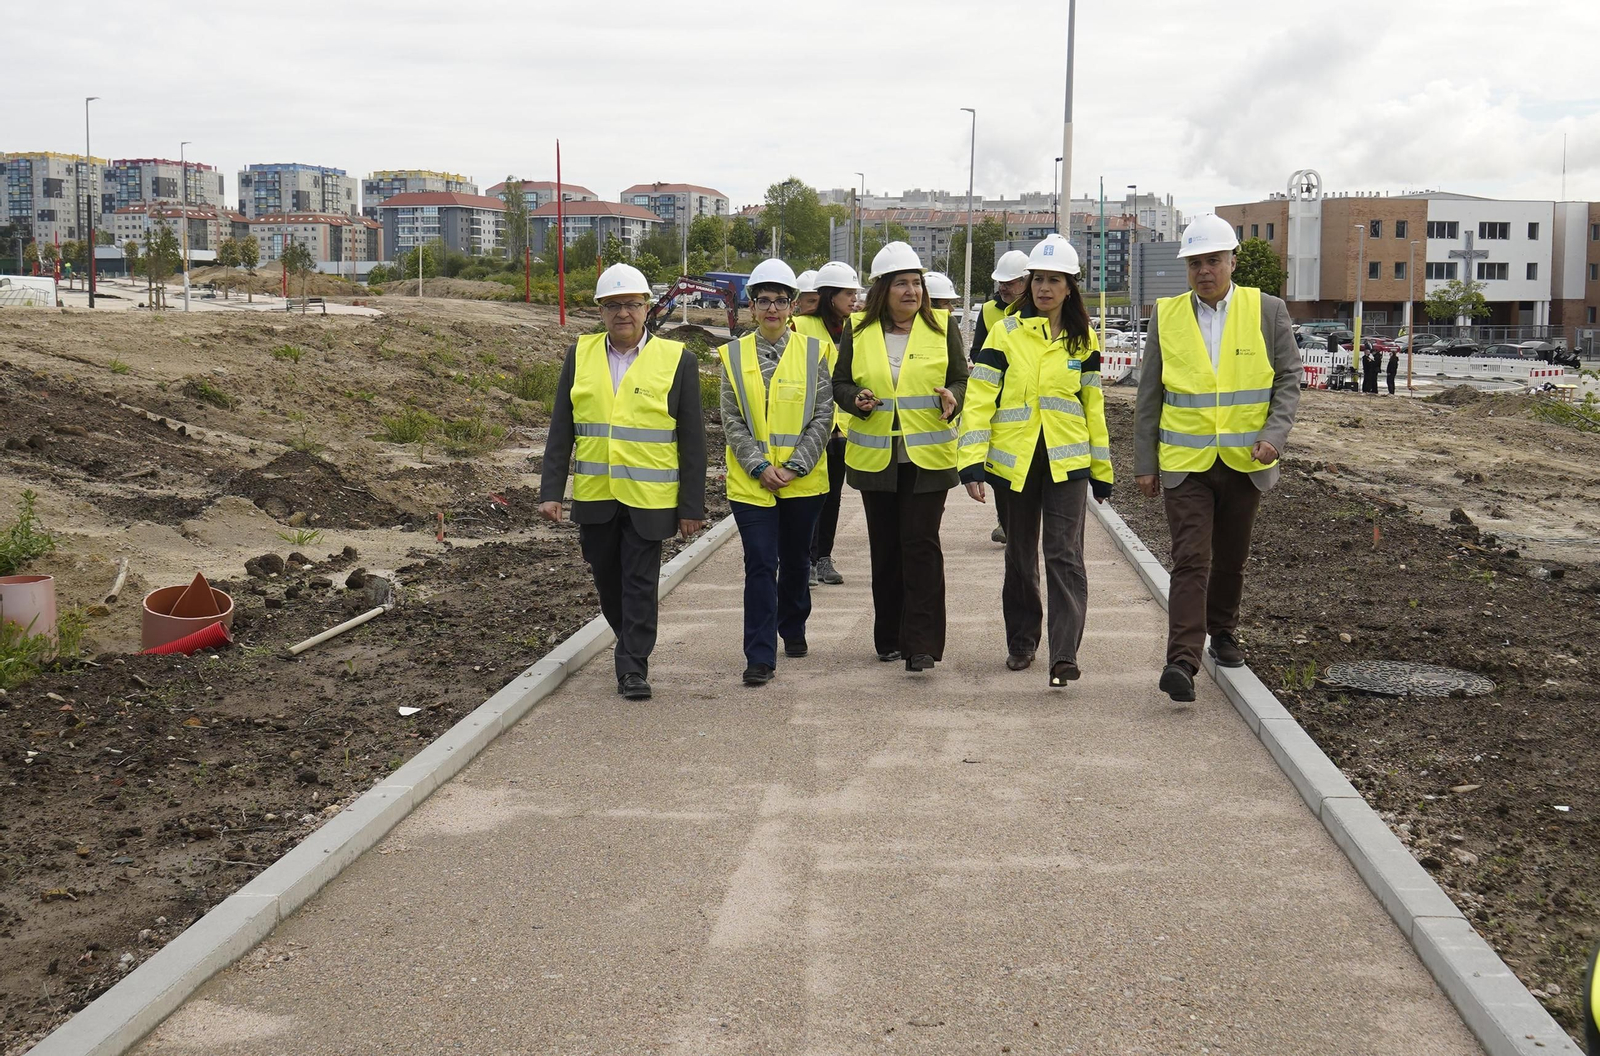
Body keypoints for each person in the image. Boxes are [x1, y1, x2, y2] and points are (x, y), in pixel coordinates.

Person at [1134, 214, 1301, 703]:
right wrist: (1145, 462)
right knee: (1190, 558)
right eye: (1195, 262)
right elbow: (1149, 396)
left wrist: (1275, 435)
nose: (1204, 270)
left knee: (1231, 559)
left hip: (1246, 461)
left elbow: (1289, 379)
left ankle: (1223, 632)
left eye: (1212, 260)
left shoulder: (1267, 310)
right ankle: (1181, 661)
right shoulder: (1166, 316)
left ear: (1232, 260)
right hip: (1185, 463)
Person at [539, 263, 707, 701]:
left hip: (650, 498)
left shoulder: (677, 360)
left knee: (639, 581)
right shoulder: (581, 354)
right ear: (600, 311)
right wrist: (551, 492)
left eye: (631, 304)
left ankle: (633, 665)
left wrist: (691, 505)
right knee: (607, 579)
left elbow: (692, 440)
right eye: (613, 306)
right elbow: (563, 428)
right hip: (596, 496)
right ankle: (628, 641)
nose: (623, 314)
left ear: (647, 308)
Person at [959, 234, 1112, 687]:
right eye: (1038, 279)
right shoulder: (1004, 332)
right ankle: (1022, 641)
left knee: (1064, 555)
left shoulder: (1084, 339)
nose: (1044, 287)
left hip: (1068, 465)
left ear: (1070, 286)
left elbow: (1093, 409)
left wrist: (1102, 472)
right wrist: (971, 461)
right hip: (1015, 465)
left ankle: (1064, 654)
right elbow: (981, 398)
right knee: (1021, 558)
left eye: (1055, 280)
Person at [833, 241, 967, 672]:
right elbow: (839, 384)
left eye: (916, 283)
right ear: (883, 289)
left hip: (927, 457)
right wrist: (857, 399)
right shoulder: (858, 329)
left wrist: (954, 398)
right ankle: (889, 636)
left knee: (921, 544)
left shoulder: (943, 327)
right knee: (886, 548)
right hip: (877, 458)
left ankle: (922, 644)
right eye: (901, 284)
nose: (911, 291)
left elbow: (961, 380)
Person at [719, 259, 835, 687]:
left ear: (791, 307)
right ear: (752, 307)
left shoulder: (814, 352)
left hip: (803, 482)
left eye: (780, 301)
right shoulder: (733, 355)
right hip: (752, 485)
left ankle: (794, 624)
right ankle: (760, 655)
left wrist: (793, 466)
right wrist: (760, 466)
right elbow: (731, 419)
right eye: (763, 300)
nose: (772, 308)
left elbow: (824, 413)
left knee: (796, 560)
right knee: (761, 564)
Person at [793, 260, 863, 588]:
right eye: (848, 293)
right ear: (830, 295)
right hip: (809, 424)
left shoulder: (857, 328)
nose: (854, 299)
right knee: (809, 493)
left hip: (843, 425)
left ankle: (823, 558)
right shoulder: (800, 326)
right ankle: (803, 558)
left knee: (832, 494)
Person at [971, 249, 1032, 545]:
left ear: (1026, 281)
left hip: (1032, 400)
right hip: (1000, 401)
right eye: (1001, 283)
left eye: (1011, 282)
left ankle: (1025, 520)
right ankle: (1004, 520)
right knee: (1000, 463)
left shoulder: (1041, 308)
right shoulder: (988, 311)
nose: (1004, 288)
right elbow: (977, 351)